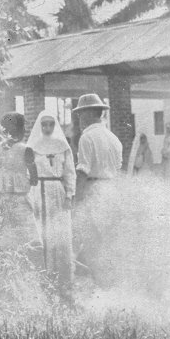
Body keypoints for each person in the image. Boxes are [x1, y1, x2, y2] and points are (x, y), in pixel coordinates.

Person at [71, 93, 122, 286]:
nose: (80, 118)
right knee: (107, 240)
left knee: (93, 242)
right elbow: (118, 169)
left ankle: (102, 283)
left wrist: (76, 202)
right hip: (111, 191)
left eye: (82, 114)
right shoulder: (113, 138)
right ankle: (109, 282)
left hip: (94, 190)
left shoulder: (88, 137)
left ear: (93, 113)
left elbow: (82, 172)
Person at [27, 110, 76, 301]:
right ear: (40, 126)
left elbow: (70, 172)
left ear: (55, 126)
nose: (47, 128)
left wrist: (69, 195)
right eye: (44, 125)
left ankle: (62, 279)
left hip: (57, 190)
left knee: (59, 234)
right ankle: (44, 277)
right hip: (39, 190)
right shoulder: (32, 147)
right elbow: (28, 173)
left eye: (50, 124)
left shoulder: (63, 147)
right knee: (42, 233)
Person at [0, 112, 39, 250]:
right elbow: (34, 178)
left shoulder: (3, 148)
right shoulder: (21, 149)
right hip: (13, 198)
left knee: (16, 236)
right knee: (23, 236)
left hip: (7, 197)